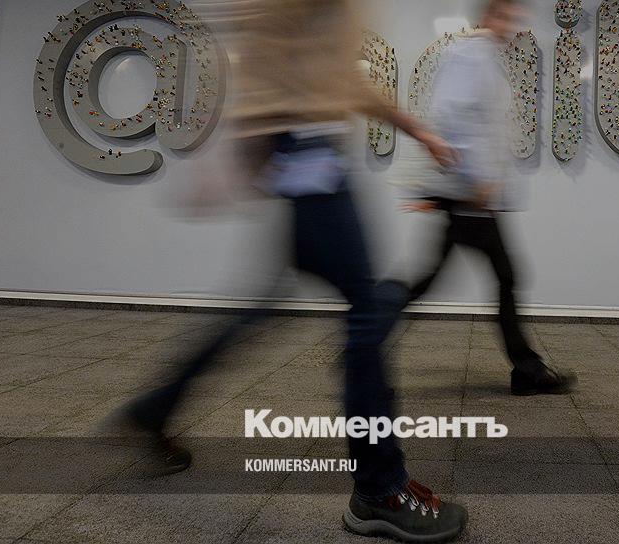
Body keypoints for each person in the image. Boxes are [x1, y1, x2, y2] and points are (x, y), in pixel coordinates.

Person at [120, 1, 467, 541]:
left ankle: (156, 406)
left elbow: (341, 79)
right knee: (366, 316)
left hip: (310, 151)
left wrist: (418, 131)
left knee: (269, 309)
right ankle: (378, 489)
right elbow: (263, 40)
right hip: (308, 152)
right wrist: (246, 148)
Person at [380, 0, 576, 396]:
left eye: (514, 18)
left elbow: (474, 123)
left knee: (441, 278)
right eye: (505, 16)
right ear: (487, 16)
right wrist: (479, 179)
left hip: (471, 193)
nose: (511, 25)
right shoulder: (472, 55)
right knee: (501, 276)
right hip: (472, 194)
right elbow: (454, 116)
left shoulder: (481, 56)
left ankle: (367, 337)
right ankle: (527, 370)